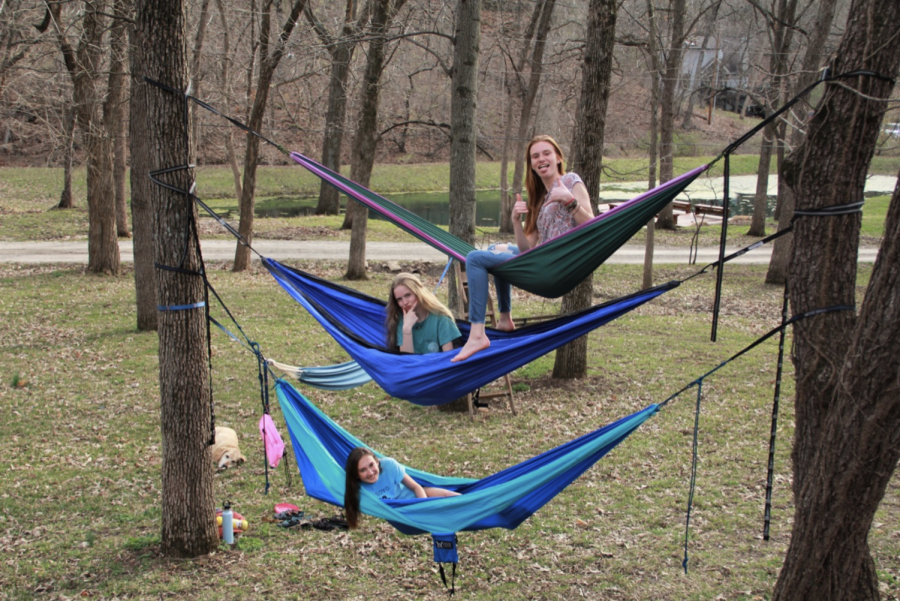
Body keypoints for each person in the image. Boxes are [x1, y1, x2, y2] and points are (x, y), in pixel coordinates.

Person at [452, 135, 594, 362]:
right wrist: (516, 221)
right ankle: (506, 318)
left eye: (546, 153)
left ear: (558, 157)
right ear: (532, 165)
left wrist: (570, 201)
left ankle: (477, 334)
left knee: (476, 258)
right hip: (541, 259)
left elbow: (592, 226)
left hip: (559, 264)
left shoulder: (571, 181)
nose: (541, 159)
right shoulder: (539, 198)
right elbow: (526, 249)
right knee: (492, 249)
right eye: (535, 156)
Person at [344, 447, 460, 529]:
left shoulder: (389, 465)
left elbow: (415, 487)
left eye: (371, 465)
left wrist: (424, 507)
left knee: (452, 497)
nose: (370, 472)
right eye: (363, 470)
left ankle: (475, 503)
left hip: (420, 498)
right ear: (356, 474)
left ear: (377, 461)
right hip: (404, 514)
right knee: (443, 516)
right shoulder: (360, 490)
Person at [386, 272, 461, 354]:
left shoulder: (441, 318)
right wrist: (407, 329)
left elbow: (448, 357)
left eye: (408, 295)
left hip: (438, 365)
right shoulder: (401, 319)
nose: (404, 302)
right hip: (413, 366)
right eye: (399, 299)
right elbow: (407, 361)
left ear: (418, 292)